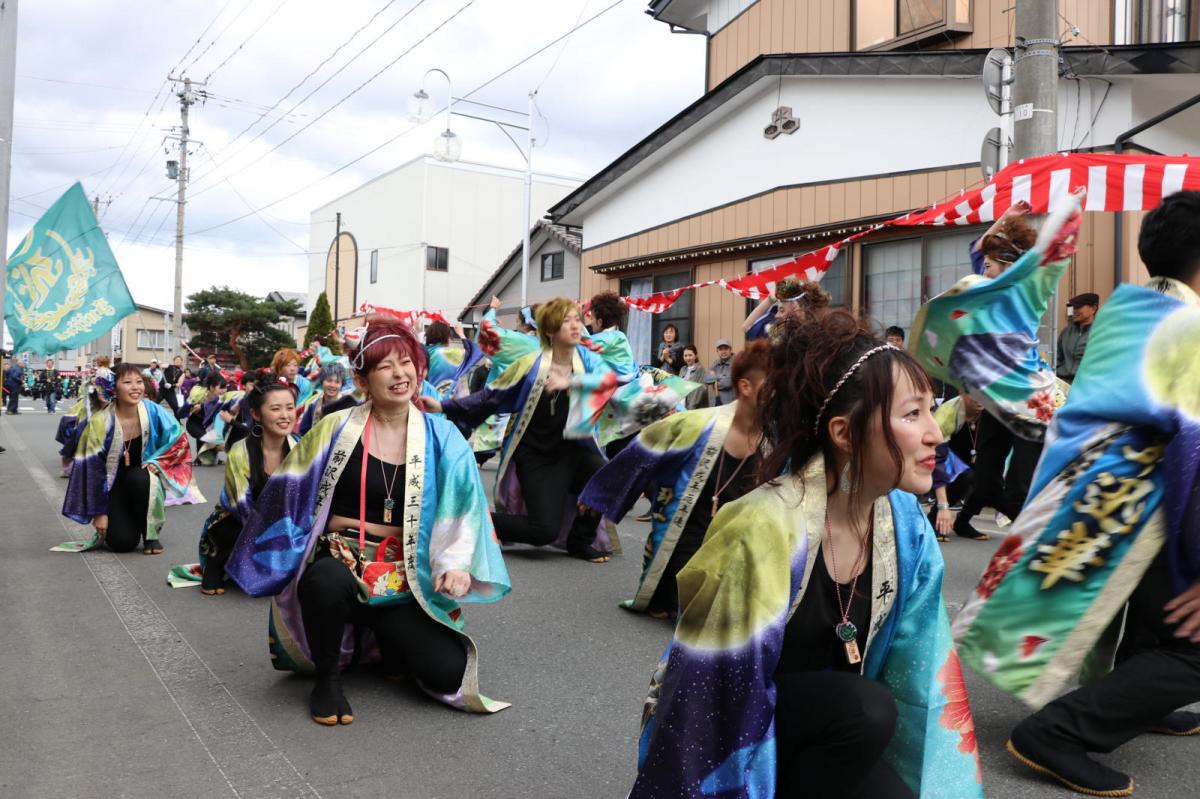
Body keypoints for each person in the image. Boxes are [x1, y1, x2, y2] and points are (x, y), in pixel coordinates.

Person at [631, 311, 981, 798]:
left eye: (930, 410)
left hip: (831, 737)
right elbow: (710, 697)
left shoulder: (906, 525)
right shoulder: (763, 526)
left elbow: (924, 675)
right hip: (742, 734)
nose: (935, 434)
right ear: (844, 433)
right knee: (865, 708)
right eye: (911, 414)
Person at [955, 190, 1200, 798]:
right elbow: (1194, 447)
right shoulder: (1190, 326)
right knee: (1192, 642)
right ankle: (1059, 732)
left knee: (1157, 616)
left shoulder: (1130, 307)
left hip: (1104, 485)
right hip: (1147, 492)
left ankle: (1138, 698)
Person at [226, 317, 511, 723]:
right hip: (343, 560)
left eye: (406, 362)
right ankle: (327, 681)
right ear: (362, 380)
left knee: (448, 672)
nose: (400, 374)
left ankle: (384, 637)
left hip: (404, 576)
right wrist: (277, 556)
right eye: (385, 366)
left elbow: (464, 506)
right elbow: (287, 493)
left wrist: (456, 565)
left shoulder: (443, 437)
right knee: (325, 582)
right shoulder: (334, 429)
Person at [580, 340, 770, 619]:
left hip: (731, 541)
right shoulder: (698, 424)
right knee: (687, 607)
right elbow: (643, 450)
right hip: (687, 533)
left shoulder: (773, 442)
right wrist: (600, 494)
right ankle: (664, 593)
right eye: (775, 387)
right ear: (746, 387)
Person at [425, 298, 619, 563]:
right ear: (549, 331)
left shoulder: (587, 359)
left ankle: (580, 540)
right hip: (537, 457)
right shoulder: (530, 365)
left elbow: (610, 380)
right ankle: (471, 520)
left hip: (575, 452)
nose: (576, 326)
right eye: (567, 321)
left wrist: (572, 382)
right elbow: (490, 397)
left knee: (606, 475)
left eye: (577, 319)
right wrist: (442, 405)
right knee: (543, 531)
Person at [169, 374, 299, 594]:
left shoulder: (301, 447)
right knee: (231, 529)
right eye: (276, 409)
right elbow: (241, 503)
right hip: (241, 519)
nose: (285, 415)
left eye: (290, 407)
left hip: (286, 519)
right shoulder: (241, 450)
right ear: (256, 414)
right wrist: (276, 533)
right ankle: (217, 562)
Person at [59, 363, 194, 555]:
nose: (136, 387)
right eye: (127, 382)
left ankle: (150, 534)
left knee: (140, 477)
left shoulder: (153, 411)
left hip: (143, 481)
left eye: (139, 382)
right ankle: (126, 518)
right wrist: (100, 513)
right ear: (114, 388)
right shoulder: (100, 421)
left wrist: (158, 462)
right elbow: (91, 470)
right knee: (122, 543)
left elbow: (178, 439)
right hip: (112, 487)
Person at [929, 393, 986, 542]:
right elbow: (938, 459)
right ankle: (933, 518)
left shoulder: (993, 410)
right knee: (965, 477)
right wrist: (943, 507)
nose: (980, 398)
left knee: (988, 480)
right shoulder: (947, 414)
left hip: (973, 453)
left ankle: (962, 522)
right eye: (973, 393)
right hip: (943, 457)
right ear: (961, 393)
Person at [743, 277, 831, 341]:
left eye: (782, 311)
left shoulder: (820, 337)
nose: (776, 316)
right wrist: (770, 299)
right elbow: (748, 327)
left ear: (796, 306)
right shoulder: (779, 333)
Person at [299, 362, 356, 435]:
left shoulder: (348, 405)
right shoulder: (313, 405)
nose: (332, 385)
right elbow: (303, 432)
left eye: (337, 382)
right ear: (322, 382)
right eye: (329, 381)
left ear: (342, 384)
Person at [1056, 292, 1098, 383]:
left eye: (1078, 307)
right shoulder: (1066, 332)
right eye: (1073, 307)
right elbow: (1057, 357)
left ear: (1093, 309)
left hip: (1087, 384)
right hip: (1063, 383)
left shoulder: (1101, 333)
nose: (1074, 310)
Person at [706, 339, 736, 405]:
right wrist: (721, 377)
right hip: (714, 403)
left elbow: (727, 383)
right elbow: (706, 379)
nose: (723, 351)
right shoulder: (715, 363)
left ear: (730, 350)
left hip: (728, 404)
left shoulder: (736, 363)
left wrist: (714, 379)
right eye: (720, 349)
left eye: (726, 349)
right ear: (717, 351)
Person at [677, 345, 707, 410]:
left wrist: (691, 406)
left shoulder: (700, 369)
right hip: (683, 405)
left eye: (690, 355)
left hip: (695, 407)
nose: (688, 358)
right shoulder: (683, 369)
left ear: (695, 355)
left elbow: (700, 389)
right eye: (685, 356)